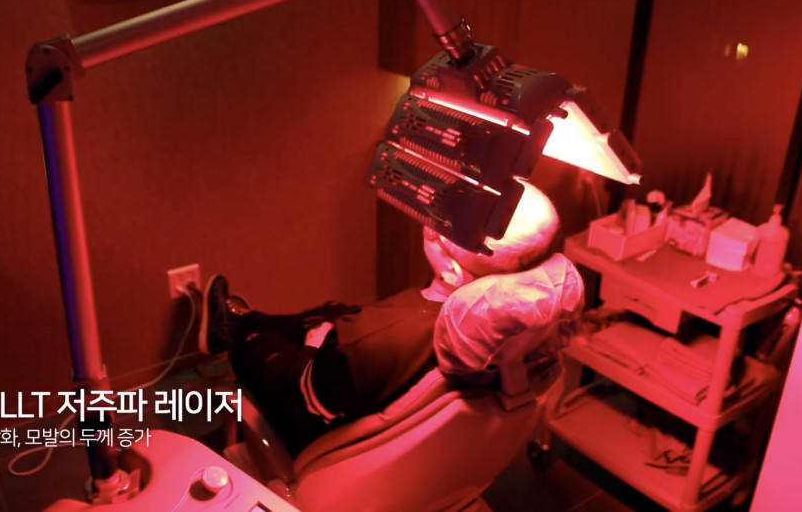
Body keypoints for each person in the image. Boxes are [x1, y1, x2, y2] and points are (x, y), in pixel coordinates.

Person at [198, 182, 582, 454]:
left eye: (436, 231)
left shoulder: (376, 341)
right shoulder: (533, 331)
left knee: (265, 342)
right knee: (332, 312)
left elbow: (301, 404)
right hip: (374, 387)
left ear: (453, 272)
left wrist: (312, 351)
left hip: (308, 407)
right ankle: (250, 319)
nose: (427, 225)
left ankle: (233, 331)